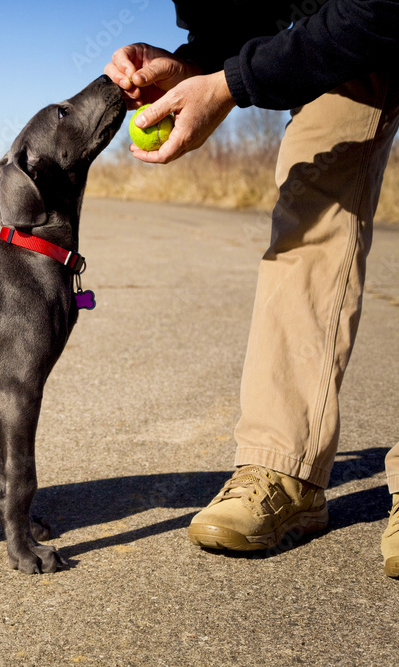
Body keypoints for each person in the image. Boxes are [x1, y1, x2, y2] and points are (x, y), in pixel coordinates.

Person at [103, 0, 399, 577]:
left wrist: (231, 86)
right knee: (308, 210)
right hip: (342, 27)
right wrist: (195, 66)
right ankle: (282, 468)